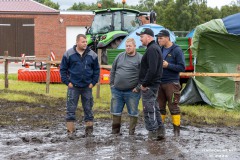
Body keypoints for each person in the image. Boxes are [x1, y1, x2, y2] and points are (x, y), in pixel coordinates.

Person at [60, 34, 100, 137]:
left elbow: (96, 70)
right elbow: (63, 70)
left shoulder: (93, 55)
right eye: (83, 42)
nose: (85, 44)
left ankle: (89, 131)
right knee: (70, 109)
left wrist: (93, 82)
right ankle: (70, 131)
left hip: (87, 87)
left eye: (86, 42)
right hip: (73, 87)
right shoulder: (68, 54)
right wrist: (67, 82)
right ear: (77, 42)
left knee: (88, 109)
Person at [136, 28, 165, 140]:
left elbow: (152, 69)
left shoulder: (152, 49)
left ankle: (152, 133)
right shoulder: (154, 48)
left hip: (150, 85)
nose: (140, 39)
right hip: (153, 84)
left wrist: (144, 83)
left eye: (142, 36)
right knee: (155, 108)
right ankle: (160, 131)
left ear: (148, 37)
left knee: (149, 109)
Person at [155, 30, 185, 136]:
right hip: (160, 83)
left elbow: (182, 67)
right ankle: (160, 130)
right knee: (160, 107)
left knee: (173, 107)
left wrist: (168, 65)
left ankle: (176, 131)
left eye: (161, 38)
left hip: (172, 83)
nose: (159, 40)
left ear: (167, 38)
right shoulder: (160, 49)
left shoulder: (177, 50)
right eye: (158, 38)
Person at [110, 38, 142, 135]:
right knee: (115, 112)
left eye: (130, 46)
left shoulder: (140, 58)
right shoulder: (119, 56)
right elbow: (113, 70)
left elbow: (144, 75)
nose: (128, 48)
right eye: (126, 46)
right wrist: (111, 84)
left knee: (133, 112)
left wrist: (138, 87)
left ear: (134, 46)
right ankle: (115, 132)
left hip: (132, 92)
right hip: (117, 91)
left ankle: (131, 133)